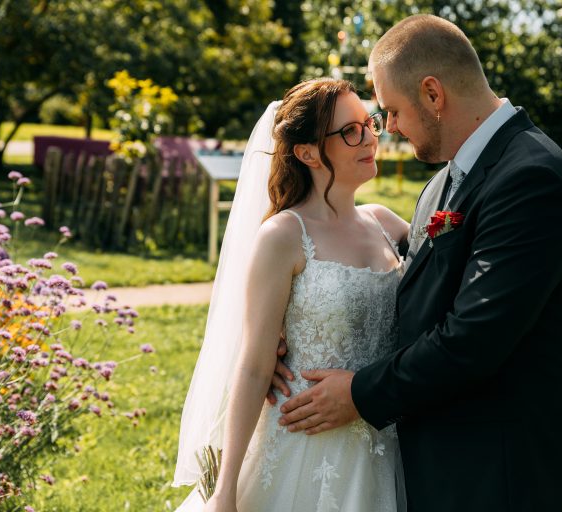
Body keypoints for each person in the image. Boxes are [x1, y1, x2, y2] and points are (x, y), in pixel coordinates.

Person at [274, 14, 562, 512]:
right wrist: (296, 321)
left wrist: (359, 393)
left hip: (501, 471)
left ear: (432, 94)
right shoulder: (449, 177)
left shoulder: (532, 178)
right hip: (445, 461)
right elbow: (416, 279)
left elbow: (474, 339)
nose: (391, 130)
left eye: (392, 111)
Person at [172, 77, 410, 511]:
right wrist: (225, 492)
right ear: (307, 153)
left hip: (384, 442)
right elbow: (253, 365)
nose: (371, 138)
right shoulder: (285, 235)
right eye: (350, 131)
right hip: (303, 447)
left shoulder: (386, 223)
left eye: (369, 123)